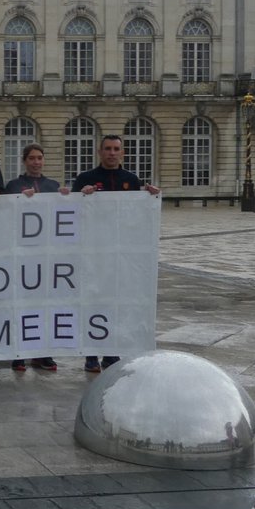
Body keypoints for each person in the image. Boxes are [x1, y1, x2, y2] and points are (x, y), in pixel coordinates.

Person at [72, 134, 161, 373]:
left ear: (122, 153)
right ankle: (90, 352)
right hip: (92, 253)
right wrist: (82, 197)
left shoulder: (130, 180)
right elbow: (70, 212)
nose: (112, 153)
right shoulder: (85, 179)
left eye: (116, 149)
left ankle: (112, 351)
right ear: (100, 152)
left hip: (120, 254)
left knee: (116, 302)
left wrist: (150, 198)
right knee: (92, 301)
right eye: (108, 149)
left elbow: (137, 215)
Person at [3, 143, 68, 372]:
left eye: (39, 158)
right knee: (20, 304)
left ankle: (43, 352)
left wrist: (65, 198)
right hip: (21, 252)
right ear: (24, 160)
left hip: (47, 252)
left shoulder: (52, 185)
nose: (36, 162)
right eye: (31, 158)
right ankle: (19, 352)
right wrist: (19, 200)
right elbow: (4, 214)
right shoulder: (13, 185)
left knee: (45, 304)